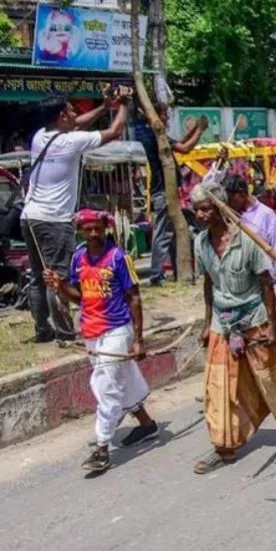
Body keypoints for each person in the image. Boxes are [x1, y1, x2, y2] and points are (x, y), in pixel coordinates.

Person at [190, 182, 276, 475]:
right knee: (218, 384)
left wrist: (271, 325)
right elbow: (208, 284)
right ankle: (224, 445)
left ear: (219, 208)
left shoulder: (247, 238)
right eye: (197, 210)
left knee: (267, 379)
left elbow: (266, 284)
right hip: (222, 320)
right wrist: (207, 324)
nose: (201, 215)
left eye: (206, 209)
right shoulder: (201, 243)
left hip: (253, 317)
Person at [43, 209, 158, 473]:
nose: (93, 234)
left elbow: (135, 297)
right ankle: (146, 424)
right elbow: (79, 297)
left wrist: (138, 340)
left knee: (105, 385)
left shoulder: (119, 257)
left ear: (105, 228)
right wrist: (60, 286)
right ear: (81, 231)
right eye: (88, 229)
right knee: (123, 379)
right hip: (91, 330)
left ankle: (102, 447)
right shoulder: (78, 257)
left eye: (97, 228)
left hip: (117, 329)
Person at [22, 89, 131, 343]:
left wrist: (105, 107)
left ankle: (42, 329)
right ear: (61, 116)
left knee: (39, 276)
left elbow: (77, 124)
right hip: (53, 219)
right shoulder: (69, 143)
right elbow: (114, 132)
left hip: (29, 217)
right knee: (57, 277)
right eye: (71, 110)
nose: (75, 114)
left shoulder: (41, 136)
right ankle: (65, 333)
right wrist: (124, 103)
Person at [221, 172, 276, 364]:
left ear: (240, 194)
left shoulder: (266, 215)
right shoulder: (230, 216)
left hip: (266, 285)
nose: (227, 203)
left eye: (230, 198)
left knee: (271, 332)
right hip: (241, 287)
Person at [136, 103, 206, 287]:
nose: (167, 118)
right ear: (156, 116)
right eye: (165, 114)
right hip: (163, 192)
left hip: (166, 192)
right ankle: (156, 275)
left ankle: (175, 271)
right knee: (163, 235)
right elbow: (184, 148)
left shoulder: (154, 135)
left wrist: (193, 131)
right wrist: (199, 130)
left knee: (174, 234)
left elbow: (179, 144)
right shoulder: (153, 135)